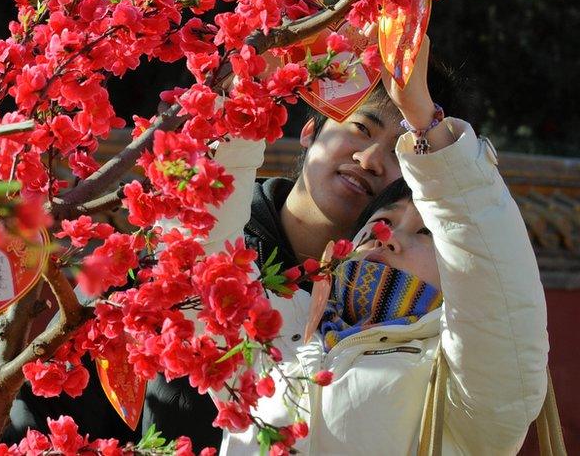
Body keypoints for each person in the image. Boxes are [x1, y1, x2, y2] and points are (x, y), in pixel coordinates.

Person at [6, 63, 413, 448]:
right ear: (309, 130)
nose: (371, 159)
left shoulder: (390, 315)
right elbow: (45, 413)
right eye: (360, 128)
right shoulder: (171, 254)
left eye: (398, 152)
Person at [211, 38, 549, 454]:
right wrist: (244, 96)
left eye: (426, 233)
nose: (370, 159)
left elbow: (497, 284)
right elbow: (202, 248)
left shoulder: (466, 385)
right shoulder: (273, 340)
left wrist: (424, 120)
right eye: (383, 223)